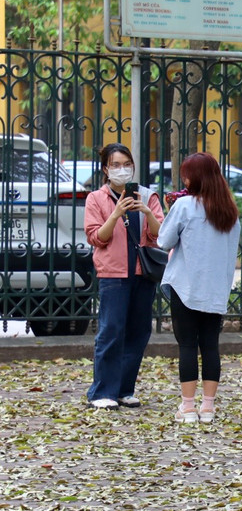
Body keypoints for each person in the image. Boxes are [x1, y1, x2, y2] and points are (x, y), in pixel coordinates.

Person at [157, 153, 241, 424]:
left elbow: (164, 241)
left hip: (186, 286)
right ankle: (208, 407)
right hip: (216, 288)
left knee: (187, 345)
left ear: (195, 177)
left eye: (187, 174)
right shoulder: (230, 212)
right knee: (210, 346)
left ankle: (188, 407)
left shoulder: (184, 205)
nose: (184, 179)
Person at [83, 143, 163, 410]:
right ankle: (102, 391)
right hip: (113, 274)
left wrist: (148, 212)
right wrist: (116, 213)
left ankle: (124, 389)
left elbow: (159, 235)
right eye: (115, 165)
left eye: (126, 164)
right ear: (105, 169)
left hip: (143, 273)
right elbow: (97, 237)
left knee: (138, 332)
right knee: (111, 331)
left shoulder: (148, 196)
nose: (121, 170)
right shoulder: (96, 198)